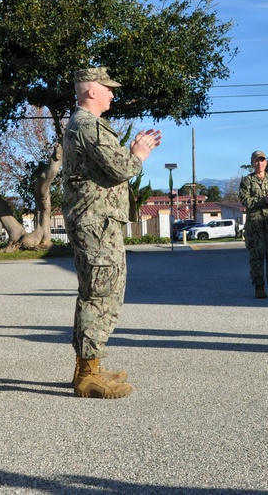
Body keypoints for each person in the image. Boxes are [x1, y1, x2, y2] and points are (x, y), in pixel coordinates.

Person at [63, 66, 160, 399]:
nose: (113, 94)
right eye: (108, 88)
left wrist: (129, 153)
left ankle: (87, 366)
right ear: (92, 90)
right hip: (96, 222)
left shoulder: (86, 124)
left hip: (96, 221)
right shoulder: (88, 124)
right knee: (101, 295)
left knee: (95, 292)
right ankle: (89, 374)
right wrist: (138, 154)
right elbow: (121, 168)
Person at [239, 151, 268, 299]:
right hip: (255, 225)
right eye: (256, 161)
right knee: (257, 257)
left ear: (266, 163)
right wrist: (263, 201)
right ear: (253, 163)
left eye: (262, 161)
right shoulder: (247, 181)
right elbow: (244, 200)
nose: (259, 163)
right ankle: (259, 287)